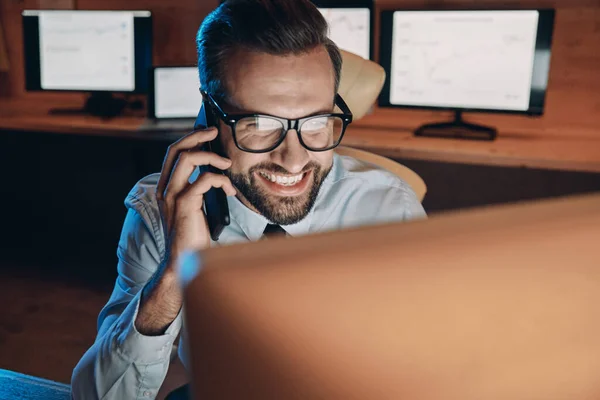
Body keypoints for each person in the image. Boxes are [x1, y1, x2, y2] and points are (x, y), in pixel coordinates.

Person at [71, 0, 426, 398]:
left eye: (316, 121)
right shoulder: (163, 213)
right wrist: (173, 274)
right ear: (209, 119)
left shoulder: (390, 208)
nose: (294, 158)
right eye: (259, 124)